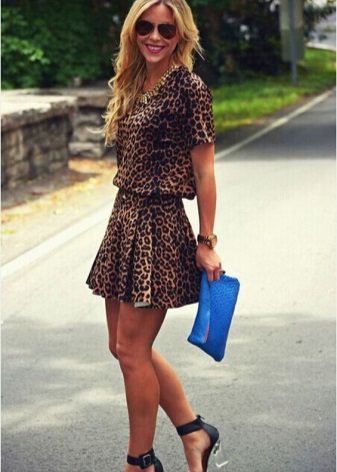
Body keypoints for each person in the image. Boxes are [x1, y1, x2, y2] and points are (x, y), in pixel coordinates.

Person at [86, 0, 223, 470]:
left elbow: (204, 171)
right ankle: (194, 432)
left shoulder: (189, 88)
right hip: (124, 219)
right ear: (133, 29)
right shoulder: (133, 81)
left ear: (180, 34)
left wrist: (206, 242)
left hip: (159, 228)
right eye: (146, 26)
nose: (155, 36)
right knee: (122, 347)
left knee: (131, 350)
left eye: (166, 28)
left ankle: (139, 461)